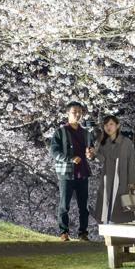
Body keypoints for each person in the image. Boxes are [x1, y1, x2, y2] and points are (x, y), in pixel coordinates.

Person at [47, 103, 94, 242]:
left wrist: (91, 154)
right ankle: (63, 232)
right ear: (68, 113)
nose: (77, 114)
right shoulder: (60, 132)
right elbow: (54, 152)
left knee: (83, 206)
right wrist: (70, 159)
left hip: (83, 172)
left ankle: (83, 233)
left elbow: (90, 151)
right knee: (64, 204)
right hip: (66, 173)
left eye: (80, 112)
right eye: (74, 112)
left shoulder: (86, 133)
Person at [95, 115, 135, 226]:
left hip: (122, 179)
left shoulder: (127, 142)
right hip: (107, 178)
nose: (108, 127)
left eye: (111, 124)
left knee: (120, 208)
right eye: (105, 125)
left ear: (117, 125)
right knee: (106, 205)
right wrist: (94, 154)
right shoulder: (103, 143)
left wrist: (132, 182)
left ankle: (121, 236)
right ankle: (108, 232)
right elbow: (102, 159)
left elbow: (131, 162)